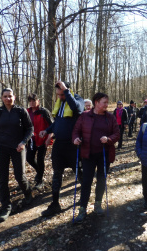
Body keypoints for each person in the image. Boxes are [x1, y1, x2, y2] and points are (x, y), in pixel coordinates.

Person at [0, 88, 34, 222]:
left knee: (20, 176)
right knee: (2, 178)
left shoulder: (21, 111)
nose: (8, 99)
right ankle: (6, 206)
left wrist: (23, 142)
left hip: (18, 148)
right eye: (5, 96)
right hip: (2, 148)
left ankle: (28, 192)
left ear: (14, 97)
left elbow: (30, 129)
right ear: (1, 98)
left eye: (10, 96)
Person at [72, 92, 120, 223]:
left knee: (101, 180)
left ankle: (98, 204)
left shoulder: (110, 117)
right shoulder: (84, 116)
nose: (107, 105)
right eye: (104, 102)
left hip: (104, 154)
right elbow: (76, 131)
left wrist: (109, 139)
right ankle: (82, 209)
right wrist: (75, 139)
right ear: (96, 102)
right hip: (88, 154)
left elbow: (117, 133)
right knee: (86, 181)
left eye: (107, 102)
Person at [40, 81, 84, 217]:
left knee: (80, 172)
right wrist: (47, 131)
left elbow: (77, 109)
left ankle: (84, 198)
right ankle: (55, 204)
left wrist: (66, 92)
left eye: (62, 94)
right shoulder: (60, 104)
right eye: (58, 94)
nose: (59, 97)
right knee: (57, 173)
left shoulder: (77, 99)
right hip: (59, 145)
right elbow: (57, 123)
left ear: (67, 90)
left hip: (73, 145)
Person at [26, 93, 53, 191]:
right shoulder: (27, 112)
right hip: (31, 140)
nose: (32, 103)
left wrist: (49, 137)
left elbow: (52, 125)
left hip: (42, 139)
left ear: (38, 101)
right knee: (29, 158)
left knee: (40, 159)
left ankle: (40, 180)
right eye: (30, 101)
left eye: (34, 100)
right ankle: (39, 172)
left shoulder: (43, 112)